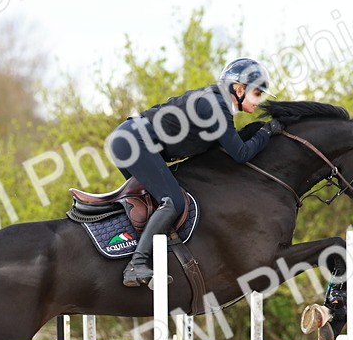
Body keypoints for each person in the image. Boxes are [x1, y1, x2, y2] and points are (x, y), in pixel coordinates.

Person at [105, 57, 285, 286]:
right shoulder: (216, 106)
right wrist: (267, 131)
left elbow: (224, 152)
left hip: (129, 139)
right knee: (173, 202)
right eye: (258, 94)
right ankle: (136, 264)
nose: (260, 102)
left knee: (154, 204)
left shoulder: (215, 104)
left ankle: (137, 254)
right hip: (133, 141)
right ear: (239, 89)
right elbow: (240, 153)